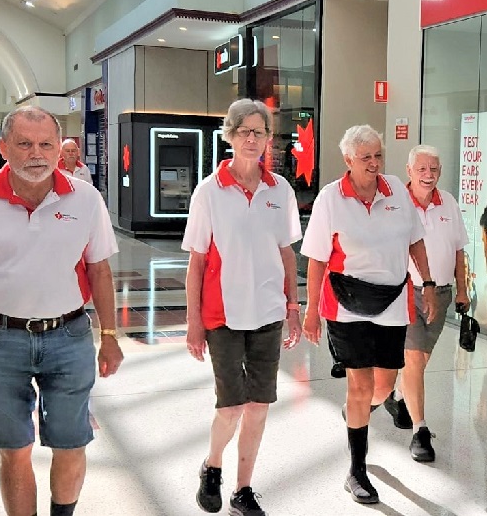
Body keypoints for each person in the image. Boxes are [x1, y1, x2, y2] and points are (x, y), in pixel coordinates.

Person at [0, 106, 123, 516]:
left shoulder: (86, 200)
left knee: (72, 442)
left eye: (46, 144)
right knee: (14, 451)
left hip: (68, 337)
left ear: (58, 148)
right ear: (3, 148)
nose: (37, 153)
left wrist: (109, 337)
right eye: (24, 143)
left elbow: (99, 270)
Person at [301, 125, 436, 505]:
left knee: (382, 386)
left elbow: (416, 241)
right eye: (366, 158)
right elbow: (316, 258)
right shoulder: (331, 198)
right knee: (360, 385)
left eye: (378, 155)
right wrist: (311, 309)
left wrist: (427, 283)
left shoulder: (396, 191)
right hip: (346, 302)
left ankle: (359, 410)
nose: (374, 163)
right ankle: (357, 469)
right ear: (348, 160)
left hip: (392, 301)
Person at [183, 98, 302, 516]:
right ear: (230, 136)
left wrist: (293, 305)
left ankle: (243, 489)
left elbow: (286, 251)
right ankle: (212, 465)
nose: (252, 139)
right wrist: (193, 323)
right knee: (231, 406)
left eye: (260, 132)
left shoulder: (280, 190)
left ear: (269, 138)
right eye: (244, 131)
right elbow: (196, 261)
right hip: (223, 315)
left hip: (268, 313)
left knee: (258, 406)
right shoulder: (209, 191)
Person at [382, 145, 469, 462]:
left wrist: (462, 289)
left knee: (419, 361)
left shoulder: (449, 203)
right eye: (422, 169)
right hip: (405, 293)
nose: (428, 175)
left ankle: (397, 396)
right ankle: (420, 430)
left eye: (433, 169)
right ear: (409, 171)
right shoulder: (395, 205)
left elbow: (459, 250)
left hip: (441, 294)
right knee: (415, 359)